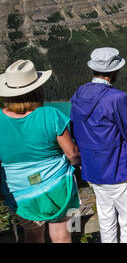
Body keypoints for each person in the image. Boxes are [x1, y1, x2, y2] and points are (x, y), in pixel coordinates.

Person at [0, 60, 80, 243]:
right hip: (57, 186)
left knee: (33, 235)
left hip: (19, 191)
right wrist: (77, 165)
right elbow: (72, 154)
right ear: (37, 90)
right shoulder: (50, 115)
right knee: (62, 233)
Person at [70, 47, 127, 243]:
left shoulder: (79, 94)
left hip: (92, 169)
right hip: (116, 168)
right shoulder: (116, 98)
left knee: (106, 217)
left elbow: (74, 128)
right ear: (113, 72)